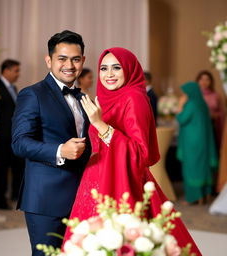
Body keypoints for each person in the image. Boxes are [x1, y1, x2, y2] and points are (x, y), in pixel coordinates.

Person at [64, 47, 201, 255]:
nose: (109, 74)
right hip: (96, 180)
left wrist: (101, 125)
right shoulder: (105, 99)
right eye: (104, 68)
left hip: (122, 180)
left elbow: (140, 153)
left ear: (129, 69)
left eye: (116, 68)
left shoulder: (134, 98)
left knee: (122, 242)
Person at [11, 30, 91, 255]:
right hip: (45, 199)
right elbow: (19, 143)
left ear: (83, 61)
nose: (70, 65)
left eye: (76, 59)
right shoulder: (32, 94)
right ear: (49, 61)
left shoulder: (84, 97)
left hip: (81, 198)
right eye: (62, 59)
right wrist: (60, 150)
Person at [0, 59, 25, 209]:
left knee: (18, 167)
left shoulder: (13, 88)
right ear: (6, 70)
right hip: (0, 137)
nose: (18, 74)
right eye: (16, 71)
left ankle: (15, 196)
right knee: (0, 170)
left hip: (13, 136)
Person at [176, 81, 218, 205]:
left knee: (192, 168)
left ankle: (193, 197)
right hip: (203, 141)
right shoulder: (202, 103)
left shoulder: (191, 104)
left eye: (185, 93)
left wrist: (180, 106)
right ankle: (204, 195)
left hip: (192, 143)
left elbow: (181, 119)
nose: (184, 95)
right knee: (202, 168)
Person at [196, 70, 225, 151]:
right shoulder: (194, 96)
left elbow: (221, 112)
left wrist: (215, 115)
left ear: (211, 81)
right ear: (198, 81)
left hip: (212, 127)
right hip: (198, 127)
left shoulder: (216, 95)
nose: (204, 82)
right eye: (201, 79)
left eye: (207, 79)